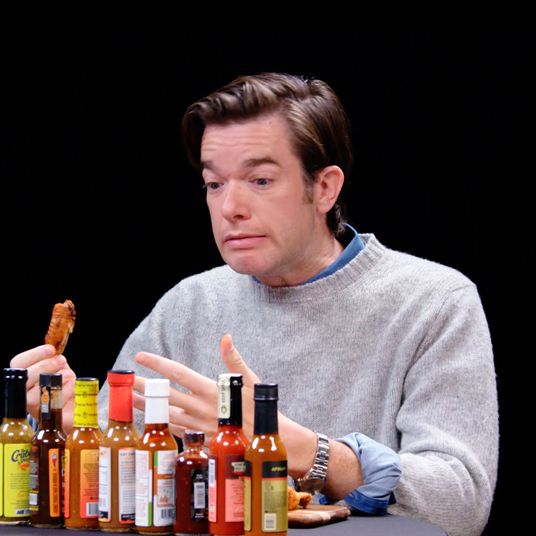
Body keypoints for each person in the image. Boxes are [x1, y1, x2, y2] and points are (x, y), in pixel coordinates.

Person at [11, 73, 498, 536]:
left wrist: (304, 450)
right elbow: (107, 488)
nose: (230, 208)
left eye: (260, 180)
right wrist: (66, 425)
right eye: (215, 184)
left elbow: (460, 505)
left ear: (324, 188)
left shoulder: (434, 302)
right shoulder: (190, 305)